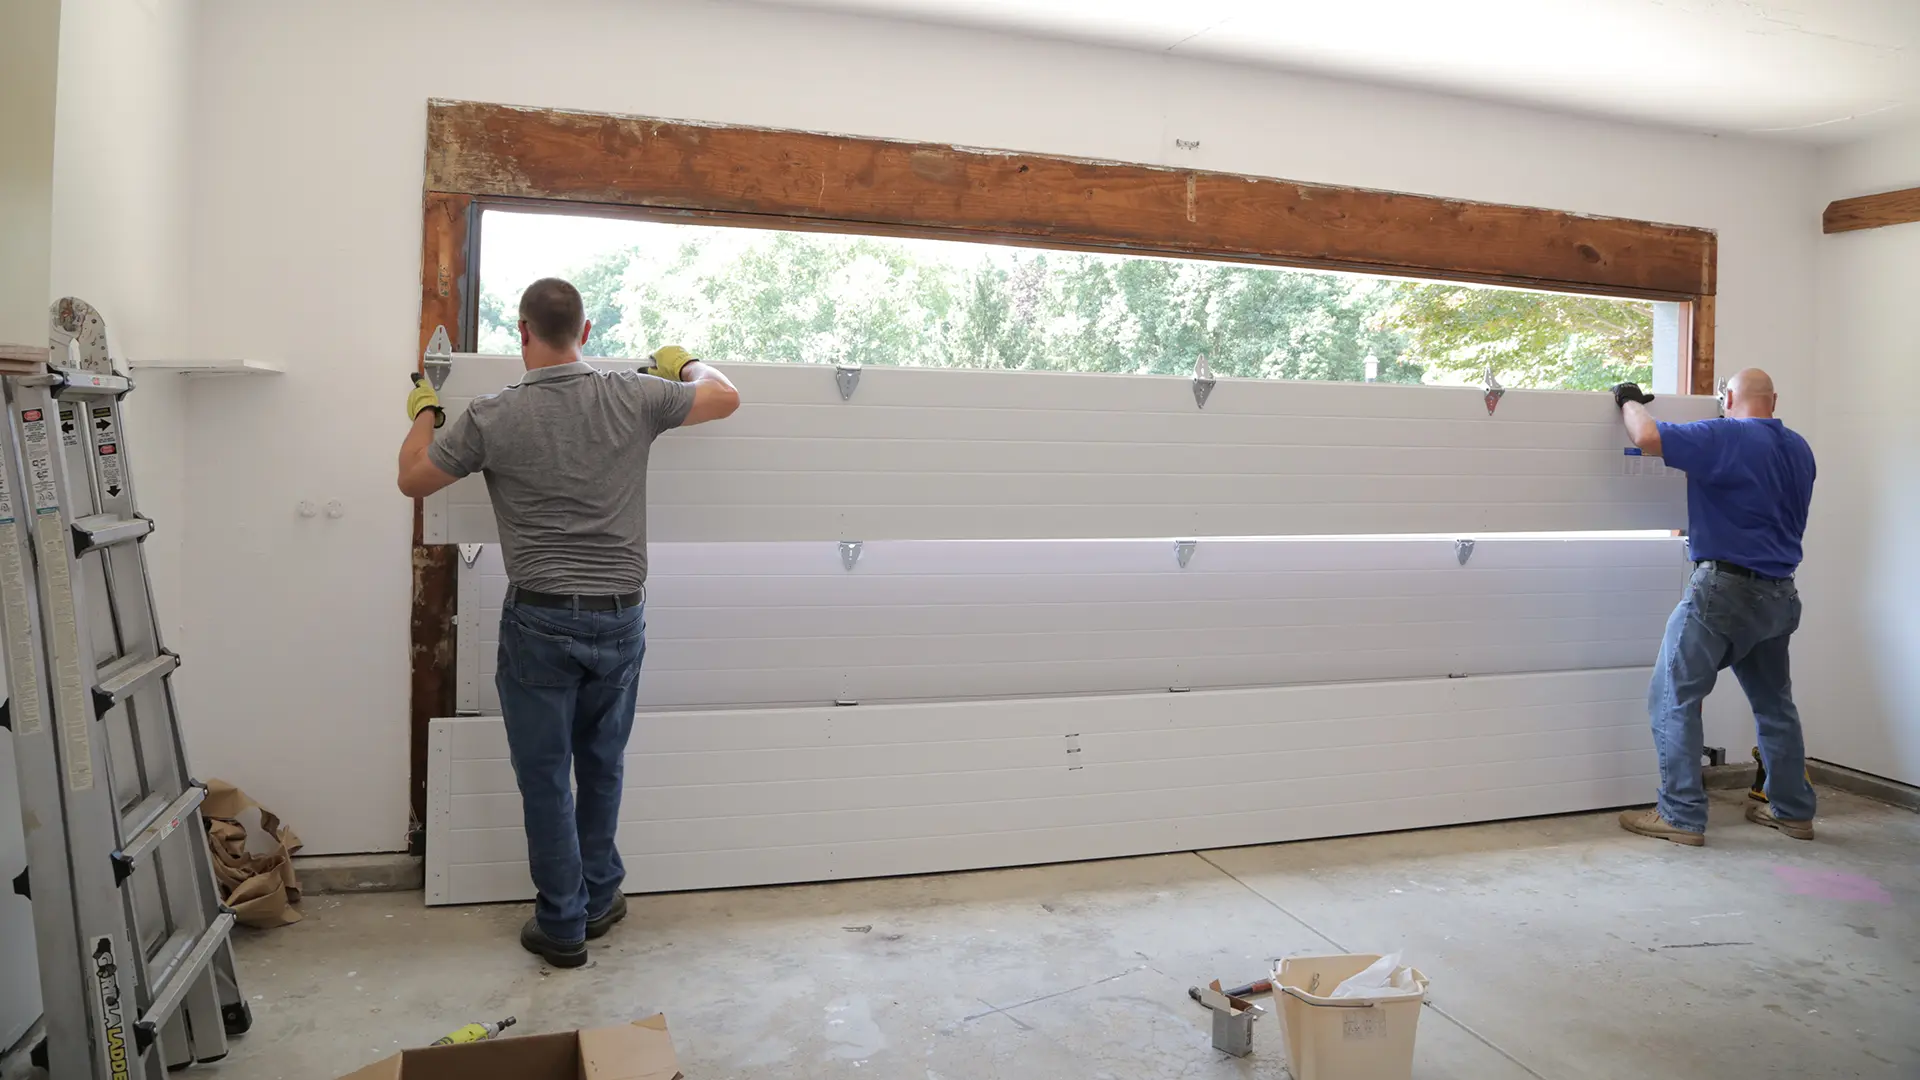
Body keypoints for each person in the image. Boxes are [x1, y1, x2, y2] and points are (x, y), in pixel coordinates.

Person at [396, 277, 739, 965]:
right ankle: (602, 894)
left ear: (522, 334)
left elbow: (413, 479)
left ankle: (563, 924)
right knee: (603, 764)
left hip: (540, 623)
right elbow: (725, 396)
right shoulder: (633, 394)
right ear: (584, 334)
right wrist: (682, 362)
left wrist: (426, 411)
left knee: (547, 776)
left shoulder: (491, 416)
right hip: (620, 618)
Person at [1612, 369, 1816, 847]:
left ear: (1726, 398)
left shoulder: (1725, 434)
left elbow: (1645, 434)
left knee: (1673, 696)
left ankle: (1680, 815)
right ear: (1774, 399)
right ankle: (1792, 811)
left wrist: (1627, 399)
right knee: (1775, 707)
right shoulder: (1799, 448)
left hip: (1723, 590)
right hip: (1779, 594)